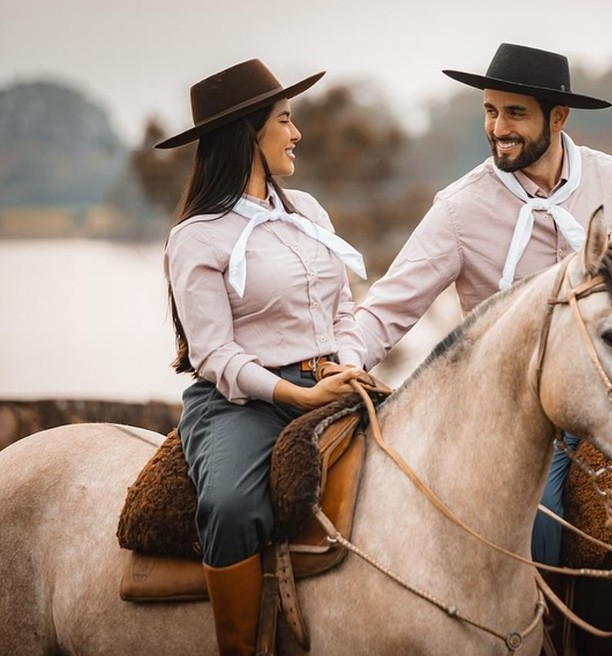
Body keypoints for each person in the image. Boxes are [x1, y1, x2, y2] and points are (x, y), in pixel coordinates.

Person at [354, 43, 612, 568]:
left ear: (557, 117)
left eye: (515, 112)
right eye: (490, 111)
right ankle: (544, 641)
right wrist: (329, 368)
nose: (498, 128)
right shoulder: (460, 208)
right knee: (541, 522)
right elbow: (388, 307)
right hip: (517, 416)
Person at [157, 58, 369, 655]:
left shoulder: (309, 213)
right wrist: (296, 394)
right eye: (285, 119)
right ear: (249, 133)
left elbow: (343, 312)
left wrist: (346, 362)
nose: (296, 132)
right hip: (240, 404)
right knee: (228, 504)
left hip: (331, 380)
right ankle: (240, 648)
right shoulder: (196, 236)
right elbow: (215, 354)